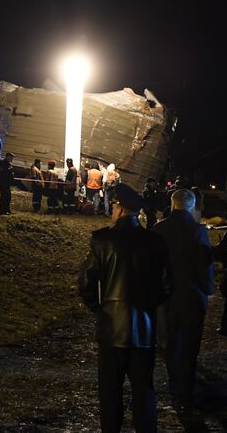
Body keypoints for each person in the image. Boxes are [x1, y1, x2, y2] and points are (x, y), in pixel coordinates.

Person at [79, 183, 168, 432]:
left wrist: (100, 307)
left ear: (118, 208)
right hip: (144, 328)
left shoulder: (101, 240)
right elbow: (166, 284)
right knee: (143, 389)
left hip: (111, 327)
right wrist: (149, 305)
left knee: (110, 390)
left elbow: (86, 281)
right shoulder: (155, 242)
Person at [151, 189, 214, 414]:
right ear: (192, 206)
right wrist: (208, 288)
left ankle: (175, 387)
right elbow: (204, 264)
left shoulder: (158, 230)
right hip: (191, 295)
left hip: (165, 297)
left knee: (169, 343)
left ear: (172, 203)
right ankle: (186, 392)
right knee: (189, 344)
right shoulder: (197, 231)